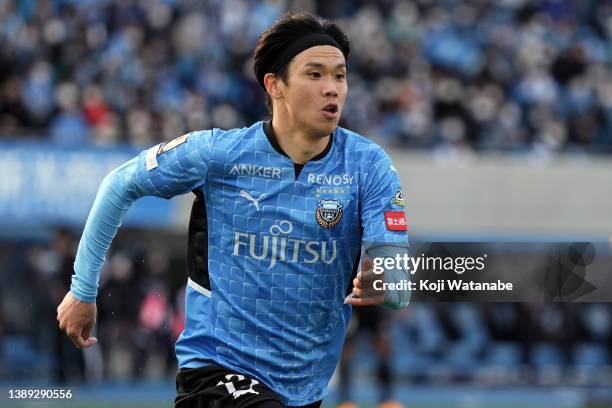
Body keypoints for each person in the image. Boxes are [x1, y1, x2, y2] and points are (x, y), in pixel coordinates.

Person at [57, 12, 410, 408]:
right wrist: (83, 290)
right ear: (275, 85)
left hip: (303, 390)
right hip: (216, 373)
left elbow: (396, 278)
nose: (332, 89)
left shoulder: (369, 166)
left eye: (340, 76)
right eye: (315, 75)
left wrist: (388, 283)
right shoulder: (219, 154)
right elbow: (120, 184)